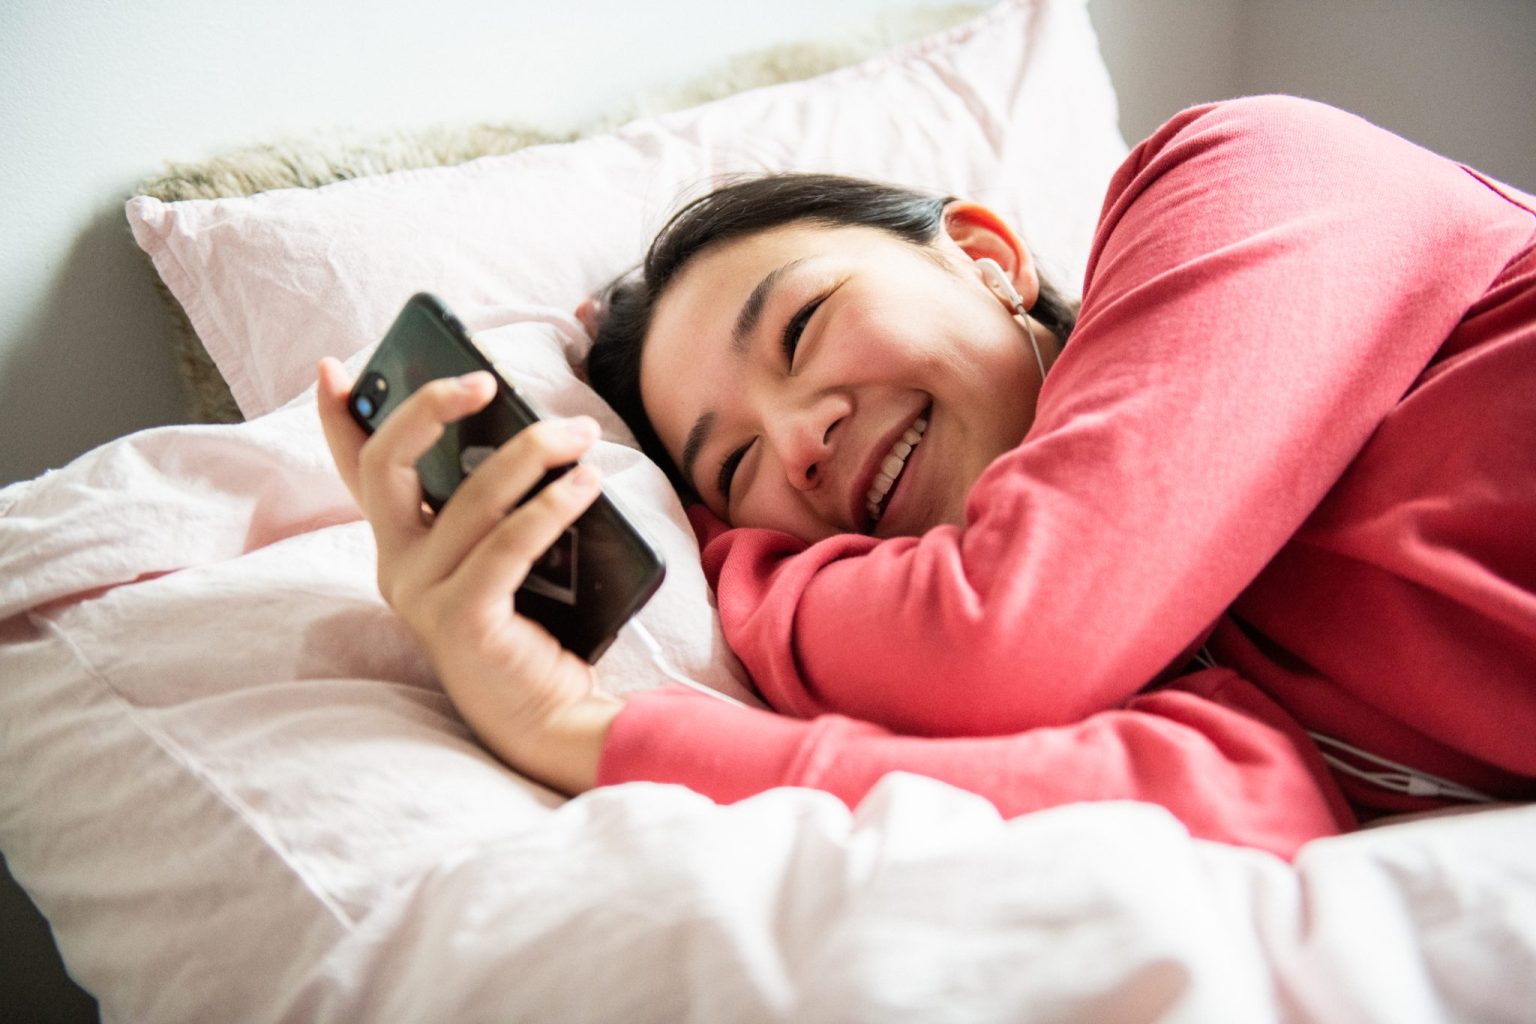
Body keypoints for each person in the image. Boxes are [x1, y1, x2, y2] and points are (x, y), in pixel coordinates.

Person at [317, 95, 1536, 860]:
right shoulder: (1166, 665)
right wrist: (553, 720)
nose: (799, 443)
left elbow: (1004, 631)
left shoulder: (1247, 172)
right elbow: (1239, 813)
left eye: (799, 332)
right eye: (736, 465)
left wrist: (736, 549)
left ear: (988, 257)